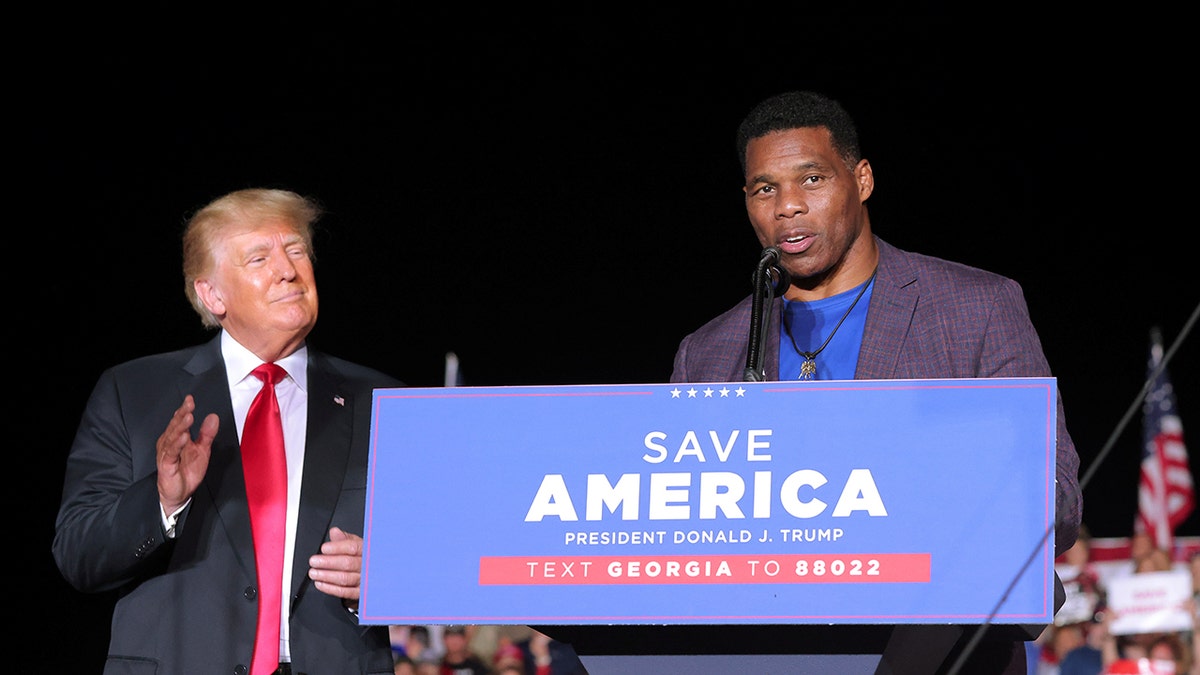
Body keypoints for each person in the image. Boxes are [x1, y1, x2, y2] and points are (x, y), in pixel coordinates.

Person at [669, 90, 1083, 675]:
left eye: (811, 179)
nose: (788, 207)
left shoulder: (975, 309)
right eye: (766, 189)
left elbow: (1057, 497)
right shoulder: (707, 355)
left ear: (861, 180)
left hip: (946, 652)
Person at [52, 188, 402, 674]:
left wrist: (388, 576)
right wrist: (161, 500)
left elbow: (443, 555)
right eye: (259, 258)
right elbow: (79, 555)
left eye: (296, 250)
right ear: (211, 295)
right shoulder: (132, 392)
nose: (288, 270)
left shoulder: (384, 402)